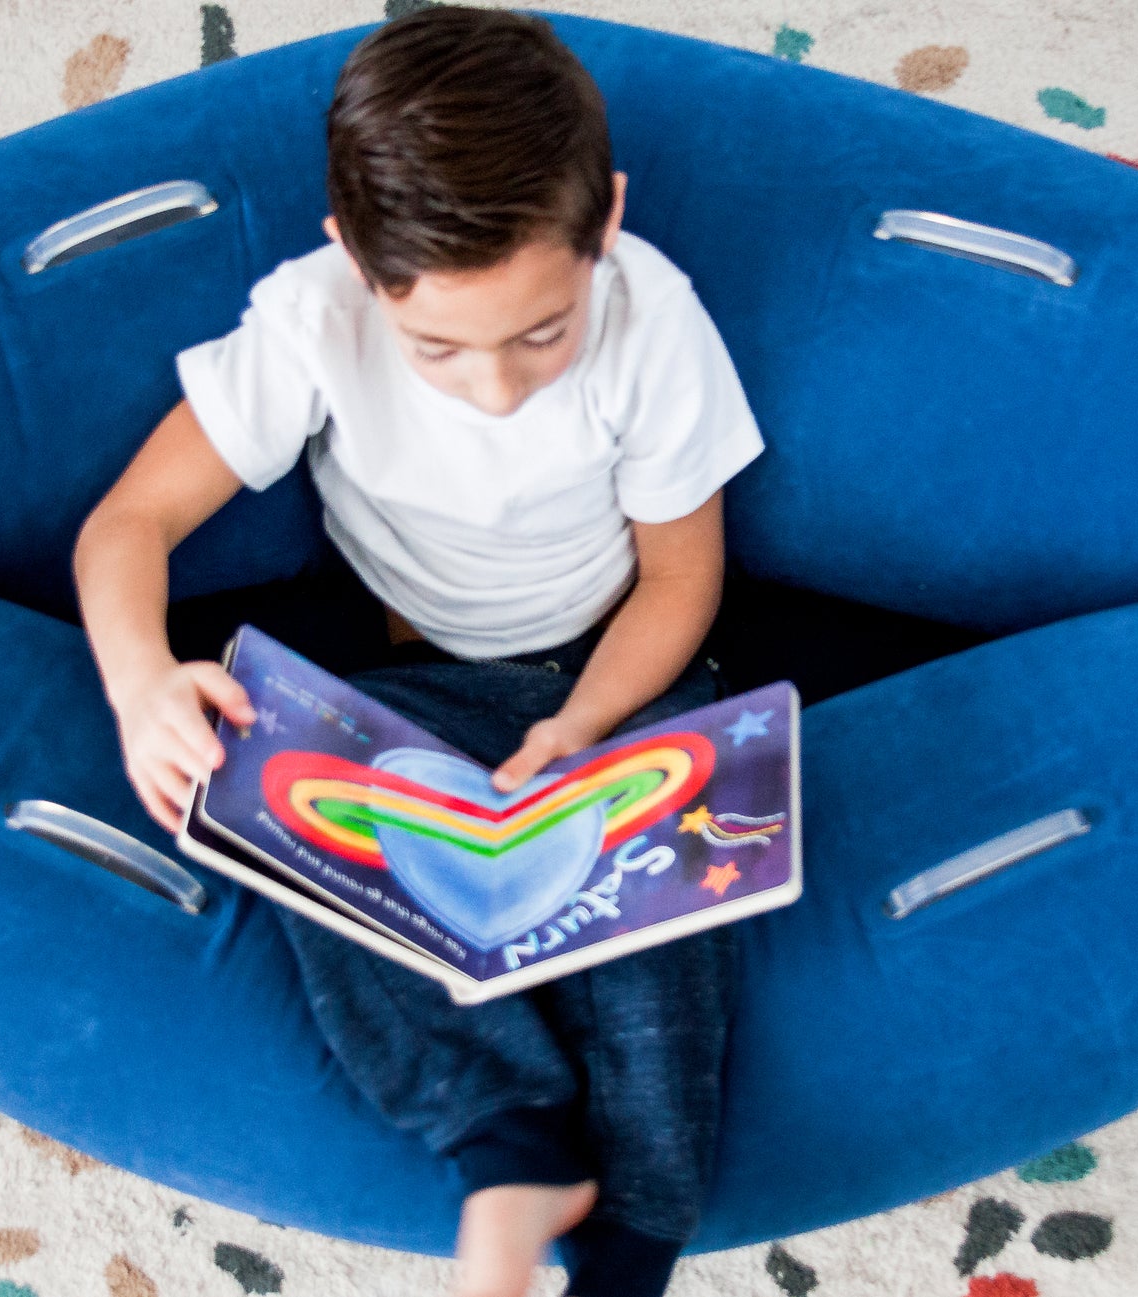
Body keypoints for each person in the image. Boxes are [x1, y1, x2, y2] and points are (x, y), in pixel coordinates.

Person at [72, 9, 765, 1294]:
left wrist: (586, 725)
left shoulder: (653, 319)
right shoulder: (311, 318)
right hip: (410, 675)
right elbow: (130, 524)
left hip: (613, 669)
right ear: (355, 260)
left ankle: (631, 1245)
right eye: (438, 346)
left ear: (603, 221)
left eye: (540, 333)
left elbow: (680, 578)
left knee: (665, 919)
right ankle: (502, 1139)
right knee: (283, 802)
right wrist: (136, 683)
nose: (495, 387)